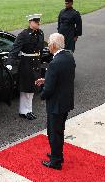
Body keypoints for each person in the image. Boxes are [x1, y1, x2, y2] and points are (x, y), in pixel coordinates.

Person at [35, 33, 76, 170]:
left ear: (52, 45)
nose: (48, 46)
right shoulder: (69, 56)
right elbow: (62, 78)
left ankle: (55, 161)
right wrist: (47, 80)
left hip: (56, 104)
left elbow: (49, 90)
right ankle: (57, 154)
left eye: (48, 44)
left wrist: (42, 92)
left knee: (53, 133)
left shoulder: (54, 63)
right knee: (59, 130)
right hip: (66, 101)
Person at [6, 14, 44, 120]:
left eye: (39, 21)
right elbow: (15, 49)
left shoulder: (40, 33)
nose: (38, 23)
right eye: (36, 22)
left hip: (36, 63)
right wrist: (10, 63)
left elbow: (40, 49)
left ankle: (29, 110)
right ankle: (24, 111)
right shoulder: (23, 34)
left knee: (32, 88)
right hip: (26, 63)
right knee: (26, 89)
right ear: (30, 22)